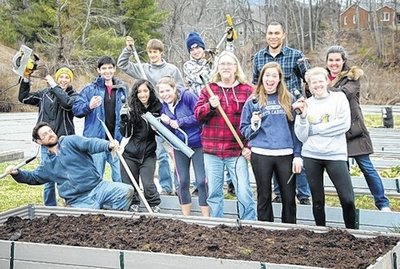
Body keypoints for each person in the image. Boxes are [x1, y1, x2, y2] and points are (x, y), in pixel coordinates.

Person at [5, 122, 133, 210]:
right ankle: (100, 214)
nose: (49, 134)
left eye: (50, 131)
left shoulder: (70, 141)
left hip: (98, 187)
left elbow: (90, 143)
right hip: (77, 200)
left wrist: (107, 145)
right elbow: (33, 178)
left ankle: (113, 217)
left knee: (126, 191)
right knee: (88, 219)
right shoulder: (47, 165)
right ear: (39, 141)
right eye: (44, 135)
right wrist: (17, 173)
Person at [252, 19, 311, 205]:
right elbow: (256, 84)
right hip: (269, 111)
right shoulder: (259, 57)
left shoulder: (296, 55)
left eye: (277, 33)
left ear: (283, 35)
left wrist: (305, 102)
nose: (273, 37)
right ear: (266, 36)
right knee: (275, 152)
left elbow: (308, 78)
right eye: (270, 33)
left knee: (295, 152)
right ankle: (279, 193)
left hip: (289, 111)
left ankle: (303, 195)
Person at [325, 45, 391, 212]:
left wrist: (323, 88)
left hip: (355, 131)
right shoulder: (323, 77)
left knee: (367, 168)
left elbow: (343, 94)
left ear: (343, 61)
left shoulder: (352, 77)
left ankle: (382, 203)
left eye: (337, 60)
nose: (334, 63)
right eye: (331, 60)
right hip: (337, 133)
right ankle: (348, 205)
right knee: (343, 173)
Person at [117, 37, 185, 196]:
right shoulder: (144, 69)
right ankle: (165, 187)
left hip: (166, 114)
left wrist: (168, 98)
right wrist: (128, 49)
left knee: (171, 152)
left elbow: (180, 89)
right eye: (150, 52)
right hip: (150, 116)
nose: (153, 55)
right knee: (158, 153)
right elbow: (123, 64)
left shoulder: (172, 70)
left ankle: (174, 187)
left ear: (161, 52)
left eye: (156, 52)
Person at [194, 50, 256, 220]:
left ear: (236, 67)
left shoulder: (248, 90)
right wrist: (210, 106)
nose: (226, 67)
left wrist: (249, 146)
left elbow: (255, 121)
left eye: (230, 64)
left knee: (243, 190)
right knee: (214, 192)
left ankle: (249, 223)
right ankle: (217, 224)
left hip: (237, 150)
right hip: (212, 150)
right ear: (217, 68)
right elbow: (198, 115)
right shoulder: (209, 90)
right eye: (222, 64)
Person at [294, 67, 356, 229]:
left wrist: (315, 129)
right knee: (318, 201)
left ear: (327, 81)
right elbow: (301, 135)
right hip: (312, 155)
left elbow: (343, 124)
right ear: (308, 86)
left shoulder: (339, 98)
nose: (317, 85)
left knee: (347, 199)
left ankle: (352, 232)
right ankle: (321, 231)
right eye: (313, 83)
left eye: (320, 81)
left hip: (335, 154)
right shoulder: (306, 104)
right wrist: (302, 117)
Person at [240, 62, 302, 223]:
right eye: (267, 75)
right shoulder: (253, 101)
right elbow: (244, 130)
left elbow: (297, 130)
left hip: (285, 154)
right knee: (264, 195)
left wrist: (297, 155)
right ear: (262, 78)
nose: (270, 79)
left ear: (279, 78)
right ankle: (265, 229)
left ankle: (289, 230)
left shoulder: (288, 99)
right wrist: (254, 125)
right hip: (261, 154)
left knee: (288, 197)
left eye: (274, 76)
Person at [182, 31, 235, 196]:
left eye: (198, 48)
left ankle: (231, 183)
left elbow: (227, 65)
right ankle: (202, 182)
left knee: (225, 142)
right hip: (199, 108)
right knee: (203, 147)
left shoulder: (214, 61)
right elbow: (200, 78)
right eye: (192, 49)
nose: (196, 51)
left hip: (217, 105)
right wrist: (209, 64)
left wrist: (228, 42)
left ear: (203, 48)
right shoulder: (188, 65)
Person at [18, 66, 77, 206]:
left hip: (64, 142)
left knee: (67, 175)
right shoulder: (44, 94)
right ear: (57, 78)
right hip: (46, 143)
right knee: (48, 176)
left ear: (70, 80)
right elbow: (24, 98)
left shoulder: (74, 96)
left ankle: (70, 203)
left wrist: (55, 86)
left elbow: (68, 104)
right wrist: (26, 78)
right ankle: (50, 207)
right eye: (61, 77)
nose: (63, 80)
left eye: (66, 77)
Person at [157, 76, 209, 217]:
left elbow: (200, 115)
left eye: (168, 90)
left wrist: (180, 122)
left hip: (197, 143)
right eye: (161, 92)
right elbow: (166, 129)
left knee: (201, 181)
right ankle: (186, 217)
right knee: (182, 181)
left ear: (174, 89)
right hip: (179, 146)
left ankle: (207, 218)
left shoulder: (187, 96)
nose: (165, 94)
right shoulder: (163, 105)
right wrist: (164, 122)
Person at [73, 56, 125, 183]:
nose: (107, 71)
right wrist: (89, 106)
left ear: (114, 69)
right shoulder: (89, 89)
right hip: (96, 141)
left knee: (120, 177)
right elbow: (76, 110)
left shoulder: (122, 90)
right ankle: (95, 202)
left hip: (116, 141)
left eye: (110, 68)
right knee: (96, 177)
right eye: (104, 68)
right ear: (98, 70)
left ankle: (119, 201)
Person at [119, 79, 162, 213]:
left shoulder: (157, 108)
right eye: (139, 92)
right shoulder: (131, 108)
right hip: (129, 154)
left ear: (150, 92)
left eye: (145, 91)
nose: (142, 95)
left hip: (148, 153)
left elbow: (162, 134)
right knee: (130, 184)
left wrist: (158, 127)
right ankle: (134, 203)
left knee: (148, 183)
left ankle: (154, 204)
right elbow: (125, 134)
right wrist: (125, 121)